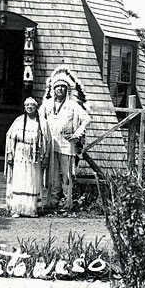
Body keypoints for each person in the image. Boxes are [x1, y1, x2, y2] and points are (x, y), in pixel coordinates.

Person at [39, 65, 91, 211]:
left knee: (67, 175)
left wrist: (76, 134)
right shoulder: (46, 105)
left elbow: (86, 119)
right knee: (52, 175)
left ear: (67, 90)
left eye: (63, 87)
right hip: (51, 144)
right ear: (53, 89)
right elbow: (39, 119)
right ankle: (52, 201)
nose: (60, 89)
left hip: (67, 145)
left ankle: (67, 203)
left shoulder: (73, 105)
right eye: (57, 87)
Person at [4, 97, 51, 217]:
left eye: (32, 105)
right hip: (19, 155)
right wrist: (10, 153)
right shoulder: (18, 121)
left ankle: (31, 209)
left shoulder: (42, 123)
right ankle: (17, 209)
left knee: (32, 180)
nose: (29, 107)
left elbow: (48, 141)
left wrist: (45, 156)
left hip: (34, 156)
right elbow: (10, 137)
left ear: (36, 107)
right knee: (19, 180)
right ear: (24, 107)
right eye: (27, 105)